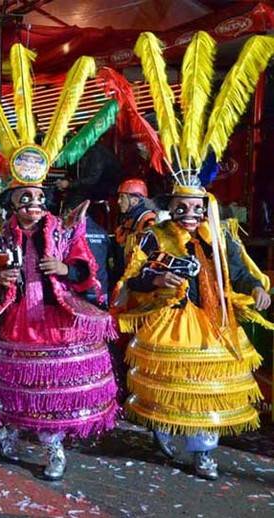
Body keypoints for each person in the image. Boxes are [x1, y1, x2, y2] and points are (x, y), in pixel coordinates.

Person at [115, 30, 274, 480]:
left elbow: (240, 270)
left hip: (216, 317)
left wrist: (258, 287)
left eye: (195, 207)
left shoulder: (220, 233)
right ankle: (167, 435)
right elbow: (131, 278)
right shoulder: (153, 234)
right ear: (171, 204)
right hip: (172, 319)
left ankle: (203, 450)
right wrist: (155, 282)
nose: (188, 214)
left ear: (206, 205)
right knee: (170, 390)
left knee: (207, 385)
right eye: (181, 207)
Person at [0, 44, 118, 481]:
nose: (30, 205)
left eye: (36, 198)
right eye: (22, 199)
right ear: (12, 202)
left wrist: (64, 271)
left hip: (54, 317)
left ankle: (53, 450)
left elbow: (88, 267)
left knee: (50, 388)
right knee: (12, 383)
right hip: (14, 317)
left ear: (46, 199)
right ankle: (9, 434)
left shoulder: (66, 228)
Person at [112, 178, 156, 283]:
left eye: (122, 197)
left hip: (138, 279)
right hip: (126, 276)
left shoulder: (149, 220)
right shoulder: (128, 219)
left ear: (135, 200)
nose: (118, 202)